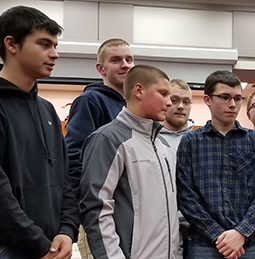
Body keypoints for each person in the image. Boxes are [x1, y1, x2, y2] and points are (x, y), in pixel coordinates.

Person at [0, 6, 79, 259]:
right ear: (11, 44)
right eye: (44, 44)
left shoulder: (47, 111)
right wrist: (37, 243)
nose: (55, 54)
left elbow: (64, 180)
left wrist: (66, 230)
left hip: (46, 247)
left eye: (54, 45)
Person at [80, 65, 182, 259]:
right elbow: (97, 209)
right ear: (139, 91)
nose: (169, 103)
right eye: (163, 93)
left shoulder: (164, 146)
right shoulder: (108, 140)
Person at [176, 70, 255, 259]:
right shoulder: (191, 142)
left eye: (238, 98)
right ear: (207, 99)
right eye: (224, 97)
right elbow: (186, 195)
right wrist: (217, 235)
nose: (232, 104)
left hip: (248, 244)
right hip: (204, 245)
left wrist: (241, 232)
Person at [64, 38, 134, 259]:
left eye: (129, 59)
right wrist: (82, 214)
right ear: (100, 68)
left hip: (127, 214)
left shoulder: (134, 107)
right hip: (99, 216)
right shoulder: (89, 101)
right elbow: (74, 158)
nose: (125, 64)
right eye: (116, 60)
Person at [159, 79, 195, 258]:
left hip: (198, 229)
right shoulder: (151, 138)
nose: (181, 106)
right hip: (163, 229)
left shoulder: (200, 140)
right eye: (174, 100)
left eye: (186, 102)